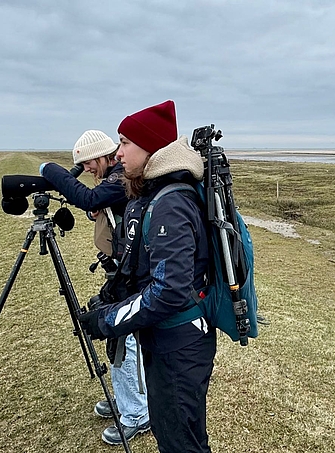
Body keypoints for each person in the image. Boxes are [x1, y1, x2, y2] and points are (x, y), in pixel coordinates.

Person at [78, 100, 217, 453]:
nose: (118, 152)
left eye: (125, 142)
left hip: (179, 345)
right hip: (172, 340)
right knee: (178, 435)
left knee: (180, 442)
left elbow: (169, 291)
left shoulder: (170, 203)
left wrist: (108, 320)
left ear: (150, 146)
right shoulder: (156, 192)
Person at [40, 130, 151, 445]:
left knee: (125, 342)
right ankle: (128, 402)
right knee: (120, 341)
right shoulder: (116, 177)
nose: (87, 169)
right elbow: (104, 208)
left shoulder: (121, 177)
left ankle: (136, 414)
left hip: (128, 275)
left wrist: (49, 170)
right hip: (121, 271)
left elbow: (88, 198)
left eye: (88, 163)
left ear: (104, 154)